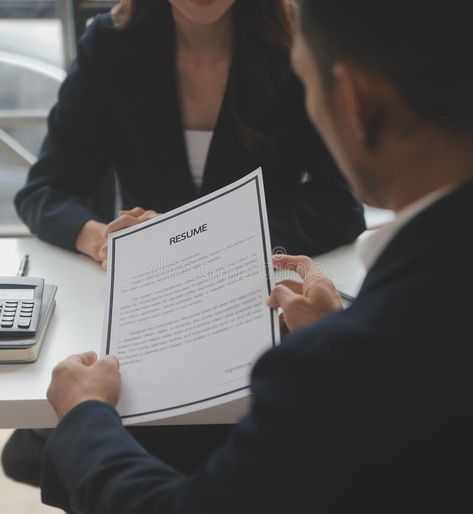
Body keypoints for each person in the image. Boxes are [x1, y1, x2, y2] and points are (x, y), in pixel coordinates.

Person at [39, 0, 473, 512]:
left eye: (311, 87)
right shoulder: (393, 324)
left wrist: (86, 412)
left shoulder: (348, 359)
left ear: (356, 102)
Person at [3, 0, 366, 489]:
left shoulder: (297, 44)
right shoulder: (108, 45)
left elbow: (339, 204)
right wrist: (100, 238)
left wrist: (239, 243)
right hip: (149, 309)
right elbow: (43, 190)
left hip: (251, 299)